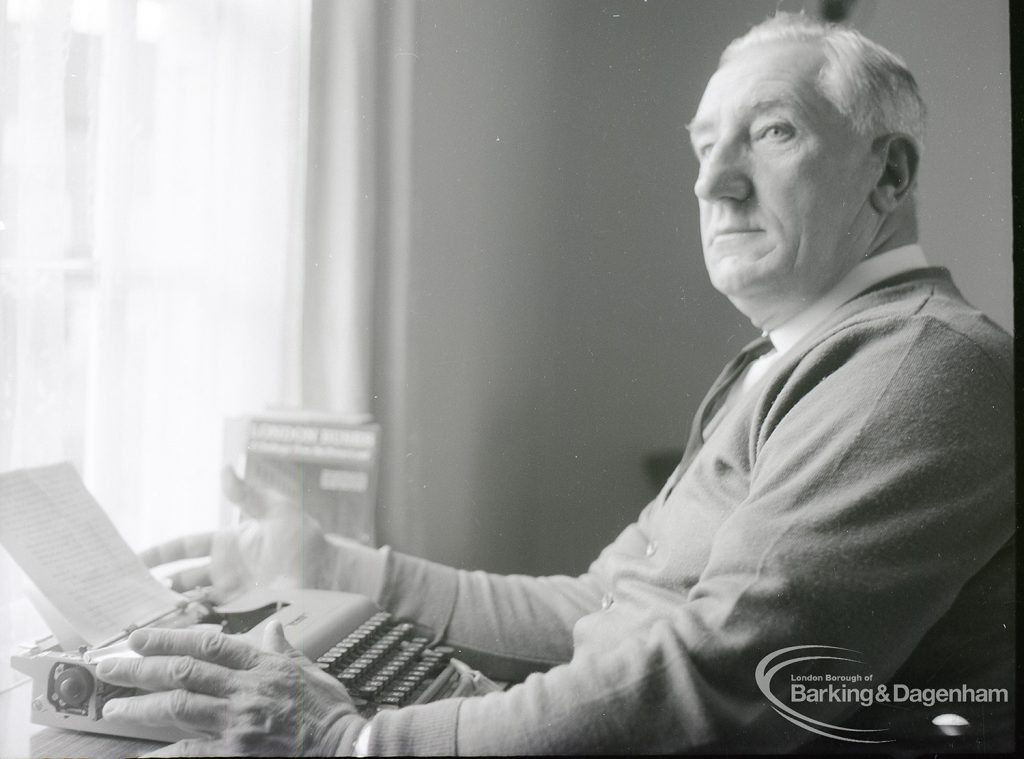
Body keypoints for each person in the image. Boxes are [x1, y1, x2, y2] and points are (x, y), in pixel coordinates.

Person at [99, 12, 1014, 755]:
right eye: (703, 146)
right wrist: (338, 568)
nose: (713, 183)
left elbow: (718, 685)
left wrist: (354, 741)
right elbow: (601, 606)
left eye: (771, 133)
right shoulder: (797, 357)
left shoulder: (917, 367)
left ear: (888, 173)